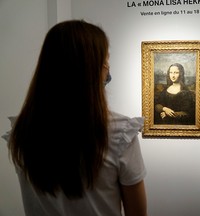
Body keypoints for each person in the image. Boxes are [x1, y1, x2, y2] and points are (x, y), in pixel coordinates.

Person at [4, 20, 147, 216]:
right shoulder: (120, 134)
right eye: (105, 60)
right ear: (94, 68)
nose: (108, 67)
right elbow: (137, 213)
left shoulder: (21, 133)